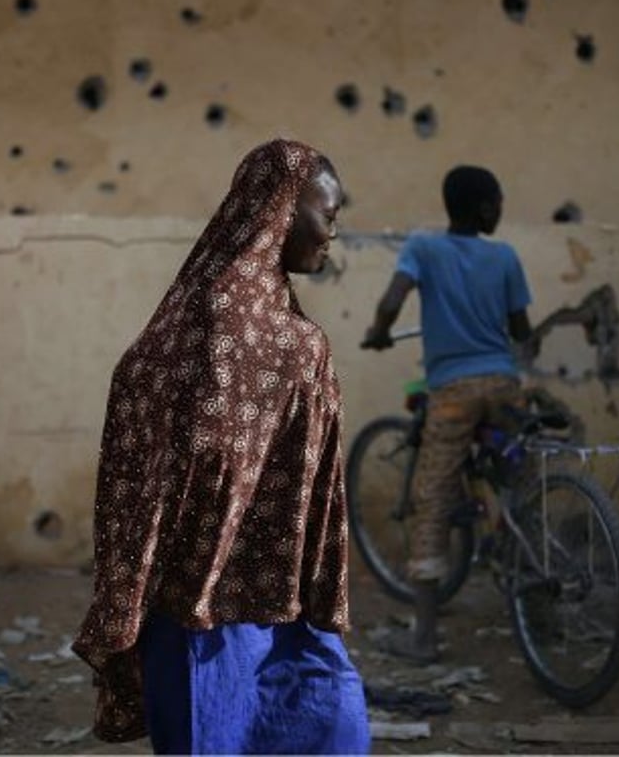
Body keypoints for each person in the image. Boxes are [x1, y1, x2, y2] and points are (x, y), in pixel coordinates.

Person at [73, 139, 368, 754]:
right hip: (211, 619)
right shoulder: (240, 331)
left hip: (258, 607)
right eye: (327, 214)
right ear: (279, 211)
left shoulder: (209, 317)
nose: (333, 232)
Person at [362, 164, 533, 663]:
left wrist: (377, 331)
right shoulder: (505, 256)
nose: (502, 209)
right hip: (503, 386)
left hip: (453, 391)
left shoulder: (423, 247)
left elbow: (393, 299)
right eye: (499, 201)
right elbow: (521, 330)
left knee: (433, 499)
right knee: (518, 484)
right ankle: (535, 598)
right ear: (483, 207)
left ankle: (423, 638)